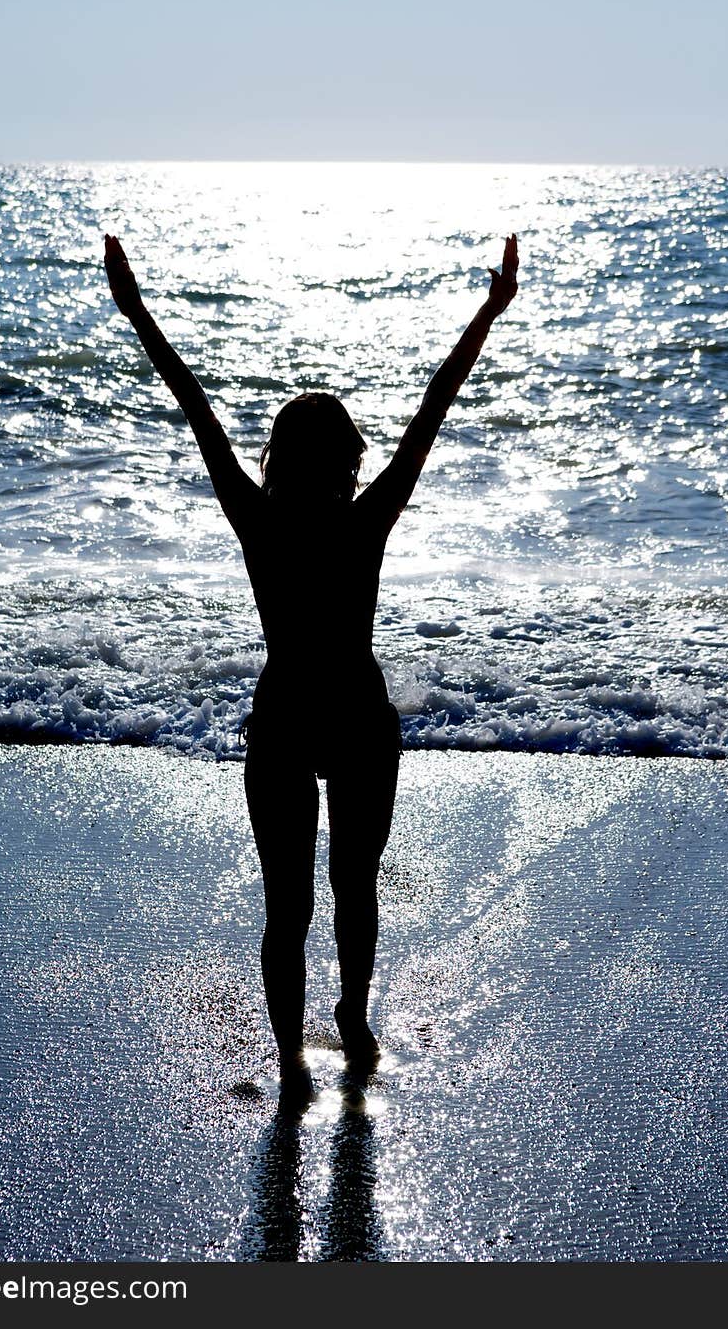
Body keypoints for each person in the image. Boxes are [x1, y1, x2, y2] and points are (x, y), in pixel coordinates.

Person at [104, 230, 519, 1104]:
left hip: (288, 715)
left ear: (279, 458)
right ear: (346, 462)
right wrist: (487, 311)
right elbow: (435, 408)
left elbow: (194, 407)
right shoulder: (365, 519)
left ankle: (293, 1055)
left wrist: (138, 309)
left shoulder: (258, 519)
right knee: (352, 887)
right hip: (357, 718)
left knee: (286, 906)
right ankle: (354, 1019)